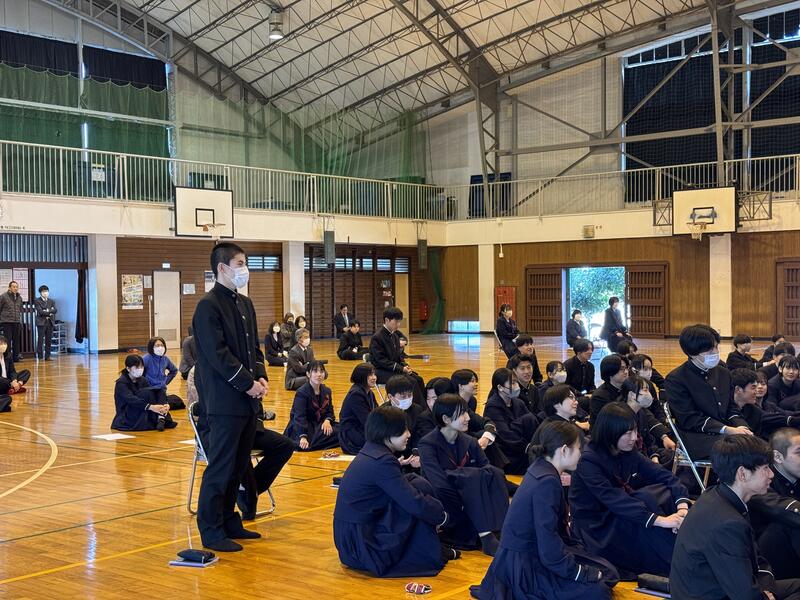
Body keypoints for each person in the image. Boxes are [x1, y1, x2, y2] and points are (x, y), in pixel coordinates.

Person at [472, 421, 619, 600]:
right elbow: (548, 543)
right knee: (598, 591)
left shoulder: (541, 468)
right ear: (564, 450)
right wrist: (578, 572)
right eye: (579, 449)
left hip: (529, 553)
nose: (581, 454)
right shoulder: (547, 482)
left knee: (608, 572)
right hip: (525, 565)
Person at [192, 241, 269, 552]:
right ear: (222, 268)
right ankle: (210, 529)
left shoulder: (244, 303)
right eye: (240, 263)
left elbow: (253, 349)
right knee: (221, 467)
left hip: (247, 401)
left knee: (239, 465)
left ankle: (228, 519)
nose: (244, 269)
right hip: (224, 402)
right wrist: (247, 383)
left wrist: (260, 376)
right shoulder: (208, 306)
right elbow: (218, 355)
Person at [670, 435, 800, 600]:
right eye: (766, 468)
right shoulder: (728, 523)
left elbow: (756, 558)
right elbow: (744, 594)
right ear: (742, 474)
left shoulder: (717, 495)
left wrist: (767, 589)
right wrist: (765, 596)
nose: (771, 474)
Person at [333, 405, 456, 578]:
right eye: (403, 430)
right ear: (387, 433)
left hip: (349, 540)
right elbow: (412, 501)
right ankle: (431, 549)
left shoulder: (371, 451)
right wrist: (442, 516)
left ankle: (433, 546)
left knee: (416, 483)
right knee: (414, 503)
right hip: (364, 545)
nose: (409, 434)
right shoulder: (382, 461)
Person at [569, 402, 690, 578]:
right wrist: (661, 521)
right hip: (598, 526)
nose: (634, 437)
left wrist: (682, 508)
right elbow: (614, 500)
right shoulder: (589, 460)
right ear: (610, 432)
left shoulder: (626, 450)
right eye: (627, 433)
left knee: (660, 493)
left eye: (634, 430)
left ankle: (685, 551)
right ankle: (680, 565)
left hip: (621, 510)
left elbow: (663, 475)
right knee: (646, 509)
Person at [187, 365, 292, 521]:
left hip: (248, 426)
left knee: (285, 446)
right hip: (217, 430)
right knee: (239, 457)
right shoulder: (199, 371)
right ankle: (246, 493)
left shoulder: (242, 365)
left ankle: (248, 489)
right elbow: (201, 404)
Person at [418, 393, 509, 556]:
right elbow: (438, 484)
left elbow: (486, 469)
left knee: (495, 472)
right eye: (461, 414)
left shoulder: (470, 441)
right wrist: (464, 499)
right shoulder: (427, 444)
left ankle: (500, 528)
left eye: (466, 412)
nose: (468, 417)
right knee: (469, 476)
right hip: (449, 504)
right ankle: (486, 535)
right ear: (446, 419)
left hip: (475, 498)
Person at [665, 323, 752, 460]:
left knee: (757, 444)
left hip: (726, 432)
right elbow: (689, 419)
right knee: (742, 453)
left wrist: (742, 427)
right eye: (709, 350)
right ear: (692, 353)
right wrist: (727, 430)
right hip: (696, 437)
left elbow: (730, 407)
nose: (715, 352)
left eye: (716, 347)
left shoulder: (723, 373)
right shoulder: (676, 379)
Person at [751, 428, 800, 580]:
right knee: (788, 522)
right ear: (777, 457)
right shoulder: (761, 478)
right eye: (799, 453)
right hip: (764, 555)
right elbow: (781, 509)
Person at [483, 368, 540, 475]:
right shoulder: (492, 406)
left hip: (522, 446)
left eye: (516, 382)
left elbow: (532, 424)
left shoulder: (518, 402)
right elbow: (504, 435)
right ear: (500, 387)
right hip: (507, 453)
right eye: (512, 383)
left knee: (531, 418)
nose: (516, 386)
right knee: (528, 419)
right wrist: (528, 447)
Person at [368, 307, 424, 396]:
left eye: (399, 322)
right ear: (387, 320)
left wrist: (405, 366)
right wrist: (401, 369)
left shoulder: (395, 336)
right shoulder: (377, 338)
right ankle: (413, 403)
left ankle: (424, 403)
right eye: (396, 322)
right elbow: (381, 360)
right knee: (411, 381)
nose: (398, 324)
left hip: (393, 370)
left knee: (418, 379)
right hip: (380, 371)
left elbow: (398, 356)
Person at [284, 361, 339, 451]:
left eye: (321, 371)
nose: (319, 374)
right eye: (315, 371)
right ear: (308, 374)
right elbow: (299, 417)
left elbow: (330, 411)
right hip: (304, 426)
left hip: (320, 423)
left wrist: (327, 421)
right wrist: (303, 437)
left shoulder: (327, 391)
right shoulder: (301, 392)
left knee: (342, 431)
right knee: (310, 442)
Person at [111, 354, 175, 432]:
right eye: (137, 367)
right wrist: (151, 407)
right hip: (127, 413)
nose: (140, 369)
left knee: (159, 390)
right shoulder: (121, 383)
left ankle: (161, 418)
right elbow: (131, 400)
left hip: (142, 408)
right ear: (128, 368)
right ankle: (160, 417)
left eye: (141, 367)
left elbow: (152, 395)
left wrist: (165, 404)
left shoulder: (143, 380)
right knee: (146, 392)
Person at [619, 376, 675, 465]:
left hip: (645, 455)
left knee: (674, 457)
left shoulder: (641, 412)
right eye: (645, 390)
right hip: (630, 460)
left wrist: (654, 455)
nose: (649, 394)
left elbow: (648, 439)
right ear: (632, 395)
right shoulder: (620, 416)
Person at [338, 363, 379, 455]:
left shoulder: (369, 393)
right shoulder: (356, 394)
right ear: (362, 376)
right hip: (352, 435)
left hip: (362, 428)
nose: (374, 377)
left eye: (374, 374)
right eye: (370, 375)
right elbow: (366, 420)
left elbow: (377, 413)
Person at [142, 336, 183, 410]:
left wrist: (165, 381)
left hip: (161, 389)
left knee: (178, 402)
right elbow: (140, 374)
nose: (160, 347)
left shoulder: (165, 359)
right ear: (152, 347)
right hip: (149, 390)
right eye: (157, 345)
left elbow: (174, 370)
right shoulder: (146, 358)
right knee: (158, 405)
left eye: (162, 345)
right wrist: (145, 383)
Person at [589, 354, 628, 427]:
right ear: (610, 371)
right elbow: (602, 424)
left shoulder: (628, 389)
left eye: (626, 368)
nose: (626, 372)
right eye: (621, 369)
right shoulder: (599, 397)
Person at [0, 281, 23, 361]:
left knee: (16, 340)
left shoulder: (19, 297)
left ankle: (16, 357)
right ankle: (8, 357)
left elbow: (20, 309)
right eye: (13, 286)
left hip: (16, 321)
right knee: (8, 340)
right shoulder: (3, 296)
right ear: (9, 287)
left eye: (16, 287)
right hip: (7, 322)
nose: (15, 288)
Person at [34, 285, 57, 361]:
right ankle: (40, 356)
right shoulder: (37, 301)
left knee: (49, 340)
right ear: (40, 293)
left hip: (50, 322)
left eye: (46, 291)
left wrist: (47, 311)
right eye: (44, 291)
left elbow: (55, 310)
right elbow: (40, 312)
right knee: (40, 340)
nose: (45, 293)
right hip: (41, 322)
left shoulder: (51, 301)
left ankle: (48, 356)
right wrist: (50, 311)